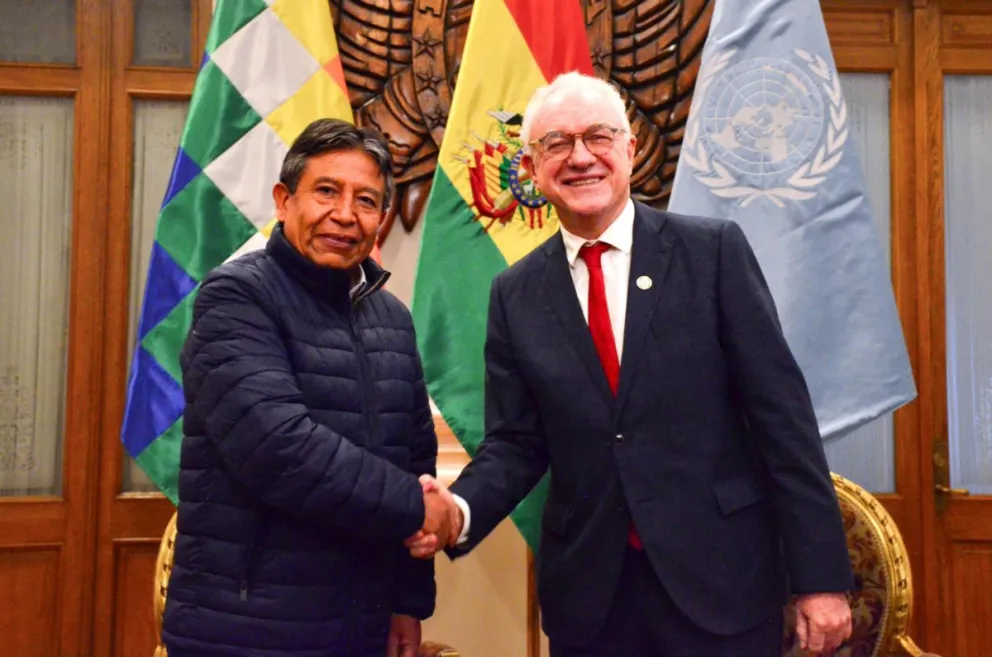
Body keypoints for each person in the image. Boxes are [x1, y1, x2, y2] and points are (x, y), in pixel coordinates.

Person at [411, 72, 855, 657]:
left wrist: (821, 579)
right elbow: (517, 442)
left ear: (630, 149)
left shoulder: (712, 254)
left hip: (721, 586)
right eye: (557, 143)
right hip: (593, 603)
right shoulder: (514, 293)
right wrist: (458, 510)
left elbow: (784, 424)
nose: (581, 157)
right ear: (532, 167)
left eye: (599, 136)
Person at [162, 118, 456, 657]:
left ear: (381, 219)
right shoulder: (235, 297)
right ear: (283, 200)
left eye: (366, 200)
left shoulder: (392, 317)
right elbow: (281, 450)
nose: (345, 215)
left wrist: (407, 602)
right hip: (247, 628)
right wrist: (423, 511)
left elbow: (416, 460)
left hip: (361, 625)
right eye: (326, 191)